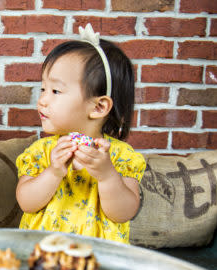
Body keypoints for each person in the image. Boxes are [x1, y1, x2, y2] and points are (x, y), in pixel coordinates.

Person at [15, 24, 146, 244]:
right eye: (43, 89)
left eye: (55, 91)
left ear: (98, 107)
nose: (42, 100)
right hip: (45, 254)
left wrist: (107, 175)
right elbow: (26, 203)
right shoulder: (40, 152)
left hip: (98, 259)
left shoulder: (121, 157)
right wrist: (53, 172)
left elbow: (123, 213)